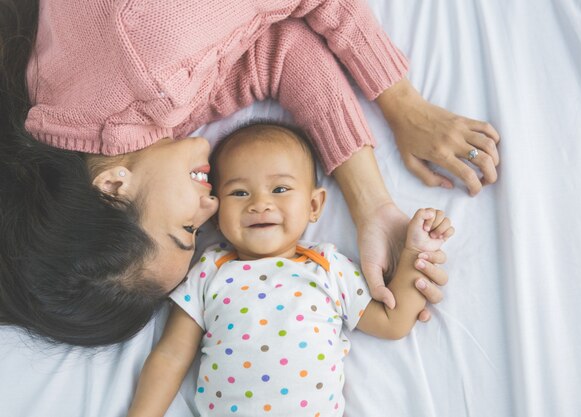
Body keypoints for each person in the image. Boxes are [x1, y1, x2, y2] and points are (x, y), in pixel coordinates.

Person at [0, 0, 496, 346]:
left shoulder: (151, 63)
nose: (212, 206)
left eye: (184, 229)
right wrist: (373, 207)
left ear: (111, 188)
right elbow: (278, 52)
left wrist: (403, 106)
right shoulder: (78, 116)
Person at [126, 122, 454, 417]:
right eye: (239, 192)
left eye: (280, 189)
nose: (260, 204)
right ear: (217, 213)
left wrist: (414, 252)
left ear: (314, 206)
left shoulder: (329, 268)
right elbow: (171, 356)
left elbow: (393, 322)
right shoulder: (209, 271)